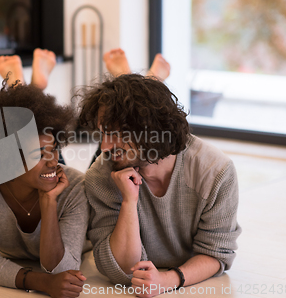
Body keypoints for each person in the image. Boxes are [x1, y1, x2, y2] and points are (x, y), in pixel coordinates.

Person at [78, 73, 242, 298]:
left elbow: (216, 253)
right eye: (102, 134)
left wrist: (168, 280)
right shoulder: (101, 176)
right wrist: (129, 201)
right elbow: (122, 270)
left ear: (149, 129)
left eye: (114, 133)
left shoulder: (215, 170)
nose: (105, 146)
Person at [0, 51, 89, 298]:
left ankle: (27, 85)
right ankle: (27, 85)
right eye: (39, 154)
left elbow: (64, 269)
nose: (53, 162)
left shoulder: (75, 185)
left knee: (107, 157)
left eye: (54, 149)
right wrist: (42, 283)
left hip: (70, 189)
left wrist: (49, 202)